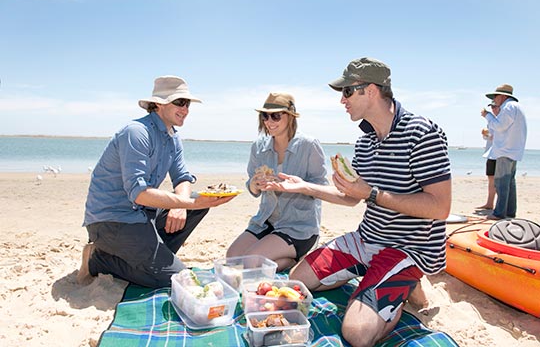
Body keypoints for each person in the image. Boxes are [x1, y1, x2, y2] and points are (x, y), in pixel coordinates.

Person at [263, 58, 451, 347]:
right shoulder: (365, 141)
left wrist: (372, 194)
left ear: (372, 91)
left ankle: (403, 286)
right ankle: (375, 277)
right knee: (296, 282)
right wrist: (304, 187)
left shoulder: (422, 134)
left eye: (348, 91)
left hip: (408, 247)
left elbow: (440, 207)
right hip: (367, 239)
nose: (342, 100)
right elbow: (352, 198)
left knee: (357, 333)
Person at [77, 76, 237, 288]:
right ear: (159, 105)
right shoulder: (136, 132)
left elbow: (182, 178)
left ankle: (155, 258)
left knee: (200, 202)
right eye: (180, 102)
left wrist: (182, 204)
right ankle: (98, 259)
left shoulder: (173, 137)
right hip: (111, 221)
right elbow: (138, 193)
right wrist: (186, 203)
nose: (186, 109)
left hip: (142, 215)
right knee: (176, 280)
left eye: (187, 104)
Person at [226, 92, 328, 271]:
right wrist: (254, 184)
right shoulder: (258, 147)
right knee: (232, 258)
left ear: (290, 117)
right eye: (265, 116)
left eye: (275, 115)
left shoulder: (309, 145)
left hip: (298, 226)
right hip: (265, 222)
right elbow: (252, 187)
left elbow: (322, 187)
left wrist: (297, 187)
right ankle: (285, 262)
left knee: (251, 262)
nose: (269, 121)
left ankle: (292, 258)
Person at [481, 84, 527, 220]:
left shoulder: (508, 107)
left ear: (503, 96)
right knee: (510, 183)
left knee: (501, 183)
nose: (494, 100)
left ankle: (499, 213)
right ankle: (510, 212)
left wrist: (488, 116)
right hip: (513, 150)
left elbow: (499, 127)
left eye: (495, 96)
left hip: (505, 150)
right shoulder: (517, 107)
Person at [477, 102, 500, 210]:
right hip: (491, 153)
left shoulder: (501, 121)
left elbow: (499, 138)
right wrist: (486, 135)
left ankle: (496, 204)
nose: (493, 109)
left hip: (498, 154)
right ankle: (489, 203)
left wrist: (489, 135)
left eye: (495, 107)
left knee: (498, 180)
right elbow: (490, 139)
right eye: (492, 107)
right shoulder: (492, 122)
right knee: (491, 179)